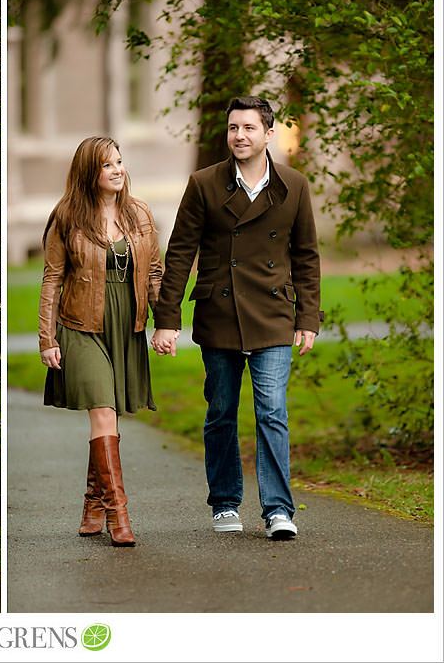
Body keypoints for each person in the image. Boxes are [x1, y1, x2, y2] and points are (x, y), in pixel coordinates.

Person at [151, 95, 323, 540]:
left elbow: (306, 257)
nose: (239, 136)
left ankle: (279, 510)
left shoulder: (294, 185)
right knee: (222, 411)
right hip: (219, 313)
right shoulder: (205, 183)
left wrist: (308, 318)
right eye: (233, 128)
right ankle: (225, 503)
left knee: (272, 411)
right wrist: (166, 319)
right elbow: (180, 253)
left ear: (268, 134)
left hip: (272, 315)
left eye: (248, 128)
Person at [39, 136, 163, 547]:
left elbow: (154, 274)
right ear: (89, 172)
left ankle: (93, 503)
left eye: (120, 162)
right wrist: (47, 338)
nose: (117, 170)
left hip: (127, 327)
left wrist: (166, 324)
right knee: (104, 413)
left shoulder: (139, 213)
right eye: (107, 165)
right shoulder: (67, 217)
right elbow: (52, 279)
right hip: (81, 326)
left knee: (111, 417)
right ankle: (118, 515)